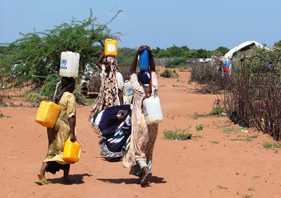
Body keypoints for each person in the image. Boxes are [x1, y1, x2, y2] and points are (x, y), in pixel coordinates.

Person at [123, 45, 159, 187]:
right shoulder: (154, 85)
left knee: (137, 150)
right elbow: (154, 70)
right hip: (154, 122)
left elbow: (131, 70)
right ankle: (145, 172)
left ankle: (144, 170)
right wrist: (150, 55)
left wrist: (137, 53)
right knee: (148, 149)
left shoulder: (138, 89)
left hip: (141, 122)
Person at [36, 77, 77, 185]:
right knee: (65, 149)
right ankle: (64, 176)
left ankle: (44, 173)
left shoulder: (58, 95)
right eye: (73, 84)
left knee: (52, 149)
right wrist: (72, 132)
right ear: (70, 85)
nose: (74, 87)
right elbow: (71, 116)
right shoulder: (70, 96)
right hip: (63, 127)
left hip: (52, 125)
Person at [90, 48, 124, 119]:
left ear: (112, 64)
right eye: (104, 64)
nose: (105, 65)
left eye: (107, 64)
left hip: (114, 106)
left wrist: (122, 108)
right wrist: (104, 52)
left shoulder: (118, 76)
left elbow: (120, 94)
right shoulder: (104, 74)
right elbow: (98, 63)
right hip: (103, 105)